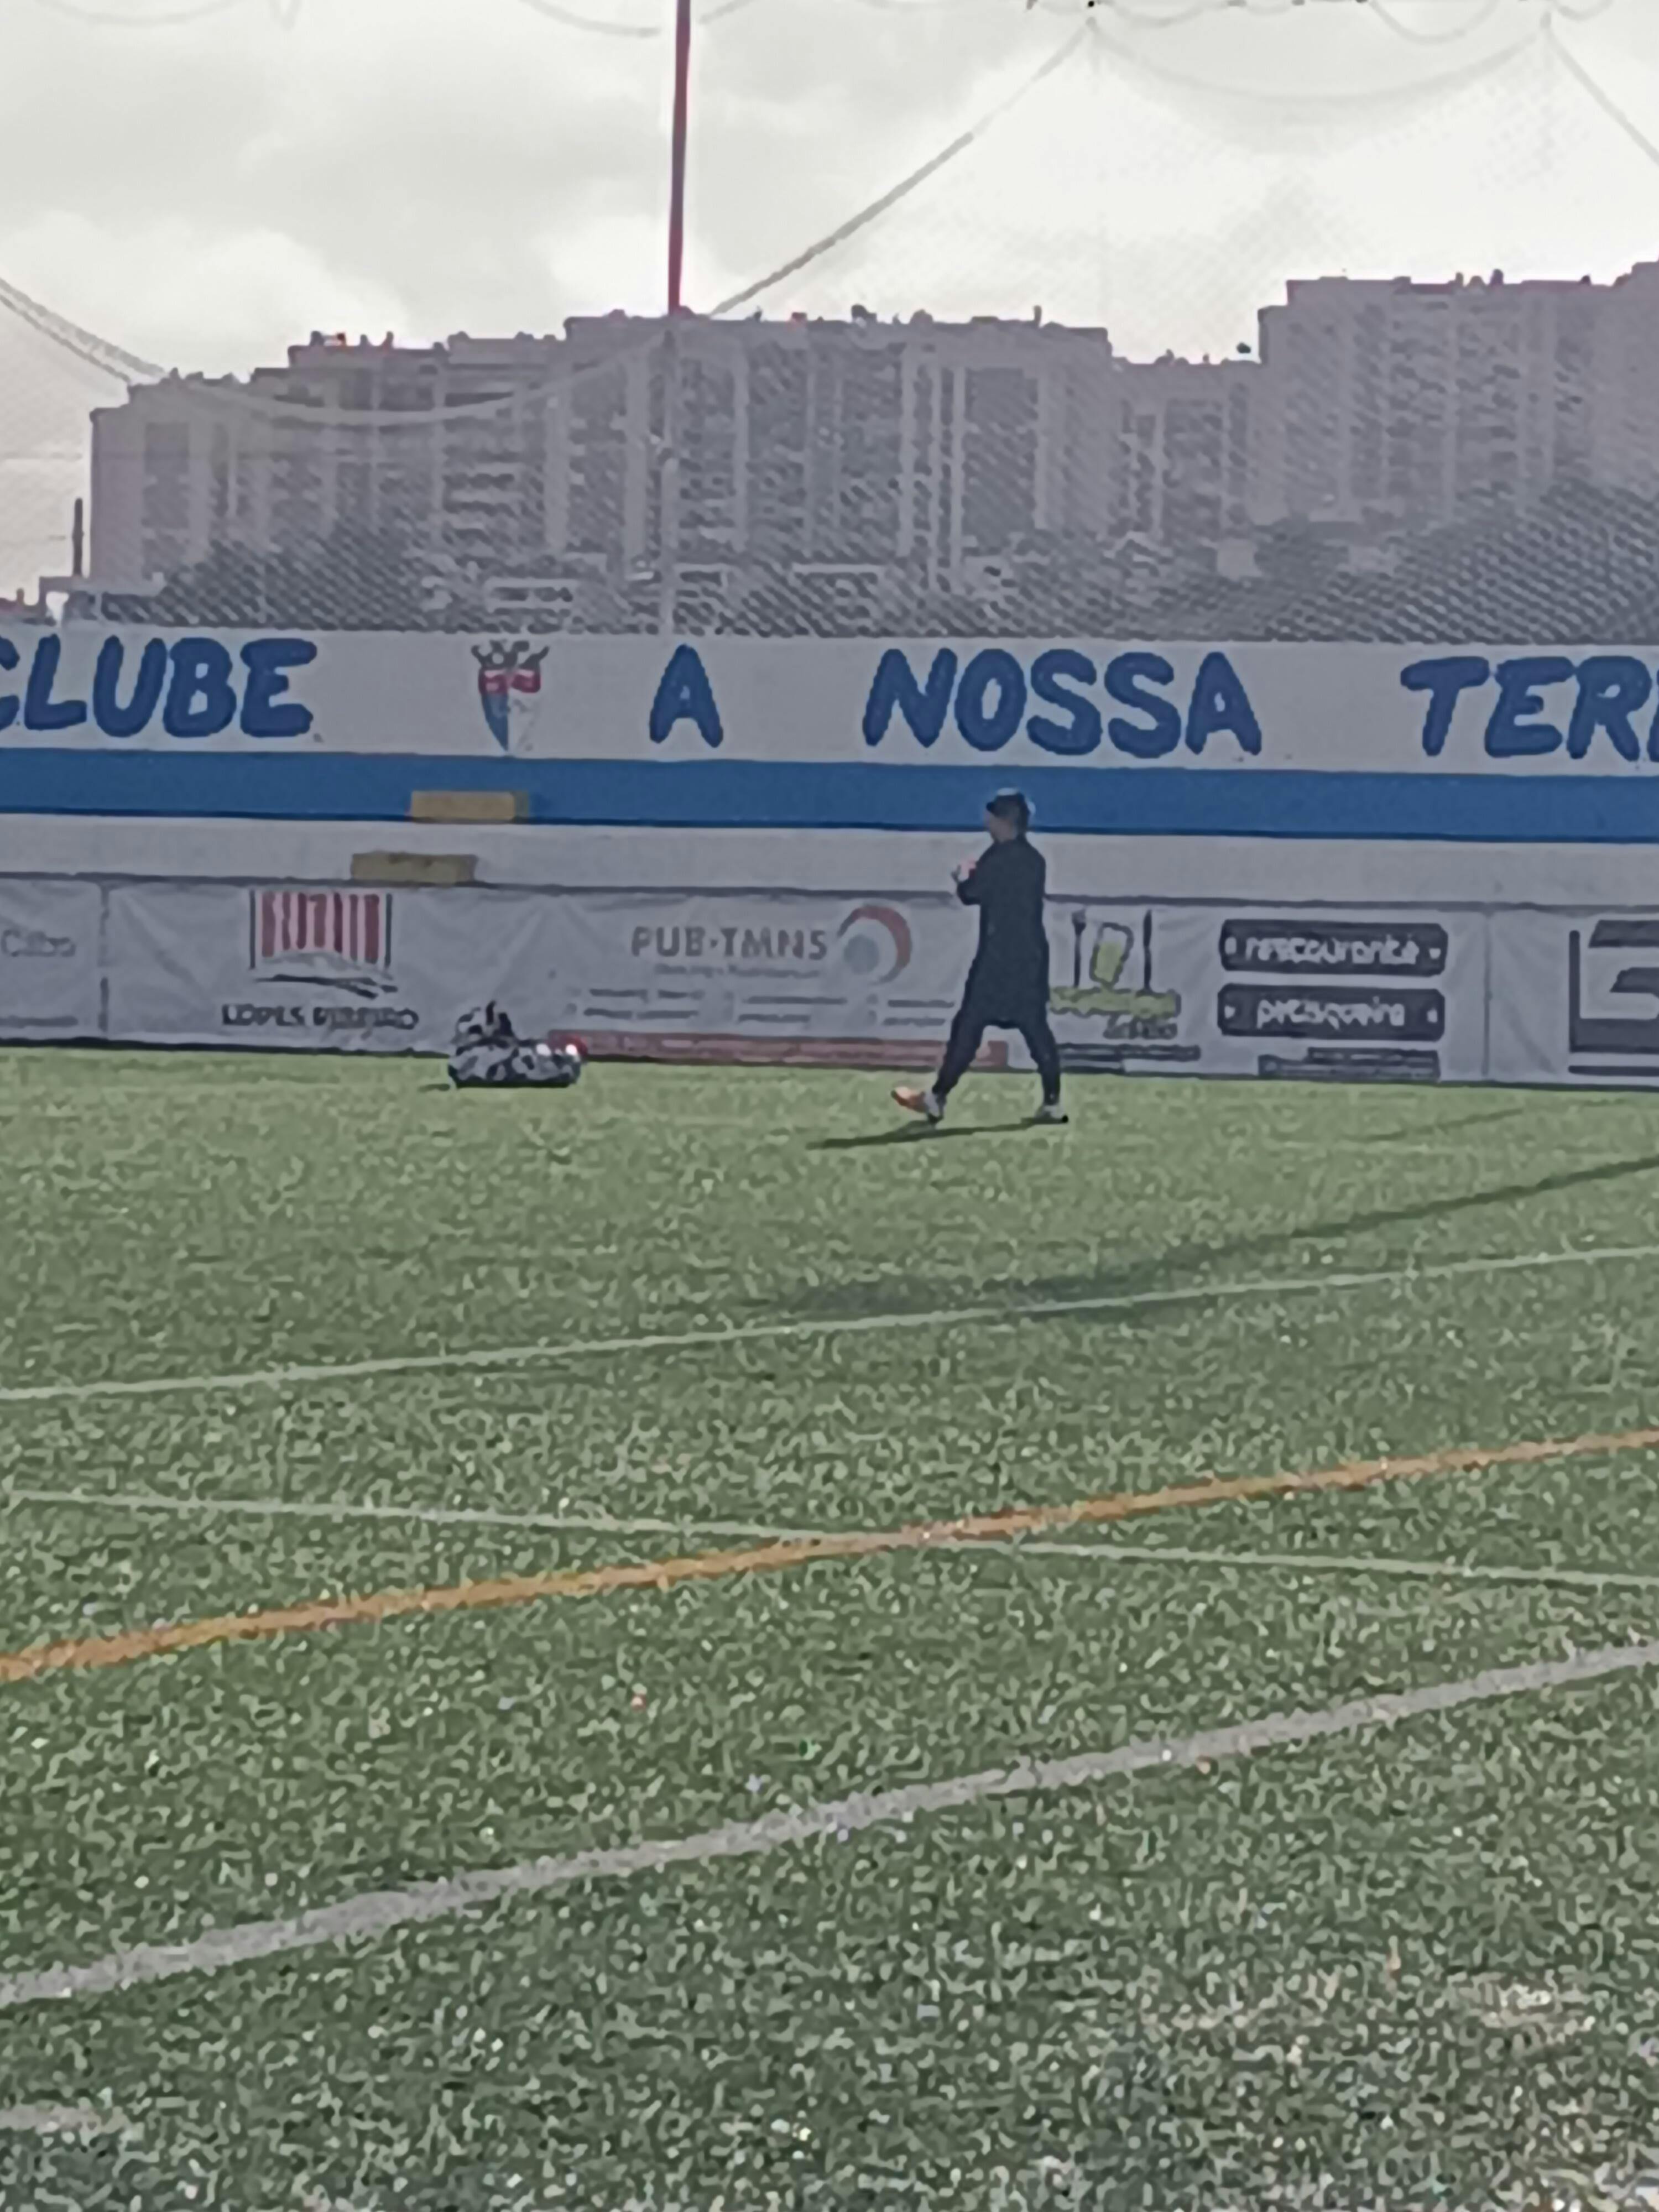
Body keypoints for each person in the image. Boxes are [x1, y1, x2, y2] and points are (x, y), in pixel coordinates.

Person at [894, 787, 1066, 1126]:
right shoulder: (1035, 860)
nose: (987, 821)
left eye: (992, 816)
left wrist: (963, 875)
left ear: (1005, 821)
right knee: (1036, 1028)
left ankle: (938, 1097)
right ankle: (1053, 1101)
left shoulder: (997, 858)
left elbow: (971, 894)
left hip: (998, 956)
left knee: (969, 1025)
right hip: (1031, 956)